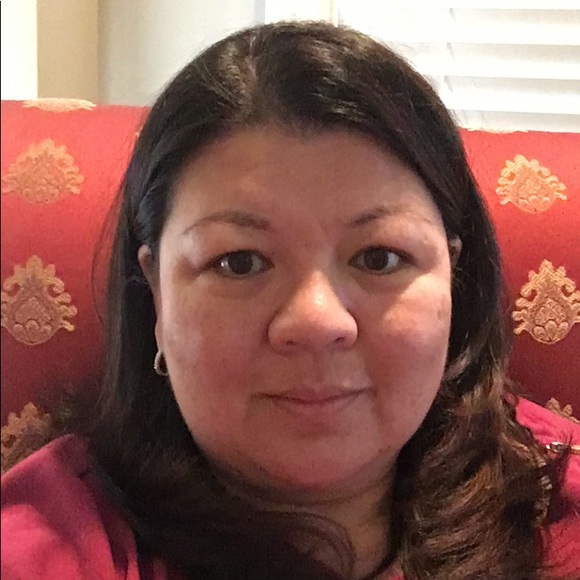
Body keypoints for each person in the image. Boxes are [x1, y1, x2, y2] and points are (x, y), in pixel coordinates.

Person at [2, 20, 579, 580]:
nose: (317, 321)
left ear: (453, 277)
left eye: (379, 257)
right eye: (239, 262)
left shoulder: (556, 502)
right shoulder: (50, 545)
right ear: (155, 292)